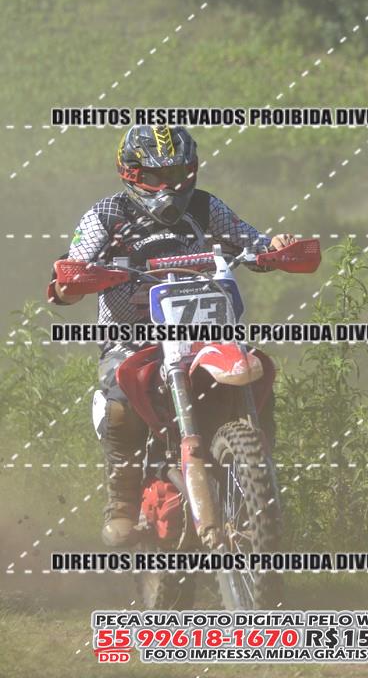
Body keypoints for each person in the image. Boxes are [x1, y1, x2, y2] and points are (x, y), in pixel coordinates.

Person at [48, 124, 295, 547]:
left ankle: (259, 479)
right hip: (133, 338)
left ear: (191, 171)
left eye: (176, 175)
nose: (167, 187)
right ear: (131, 174)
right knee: (120, 403)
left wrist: (275, 246)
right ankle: (122, 502)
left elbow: (250, 242)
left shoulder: (205, 207)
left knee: (256, 373)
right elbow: (71, 271)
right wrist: (71, 282)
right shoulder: (107, 214)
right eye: (153, 177)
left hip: (205, 331)